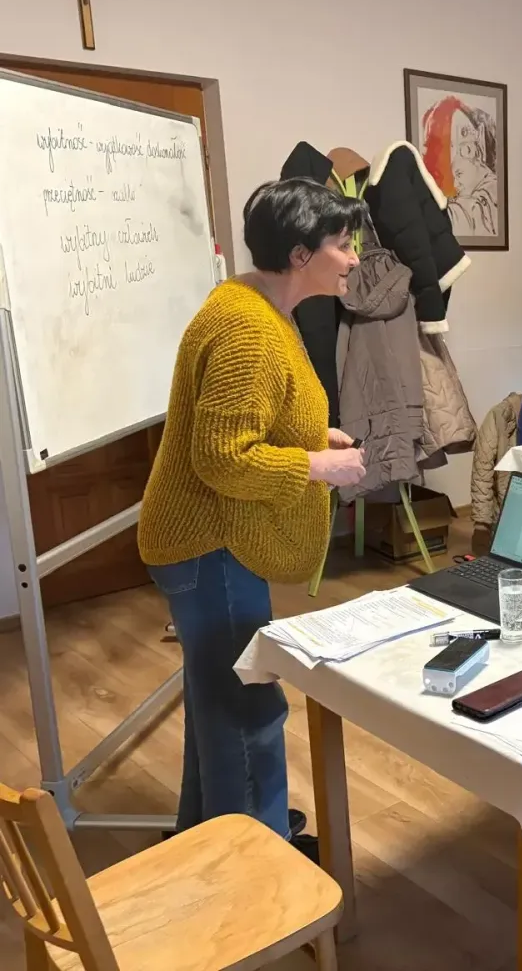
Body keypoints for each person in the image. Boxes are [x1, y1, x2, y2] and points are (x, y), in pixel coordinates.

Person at [138, 179, 370, 855]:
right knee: (247, 708)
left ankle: (203, 840)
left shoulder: (259, 306)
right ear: (300, 255)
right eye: (341, 243)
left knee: (217, 700)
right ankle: (258, 867)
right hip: (209, 545)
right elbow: (222, 457)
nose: (353, 257)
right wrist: (316, 466)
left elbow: (254, 419)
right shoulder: (248, 328)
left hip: (208, 542)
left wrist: (313, 437)